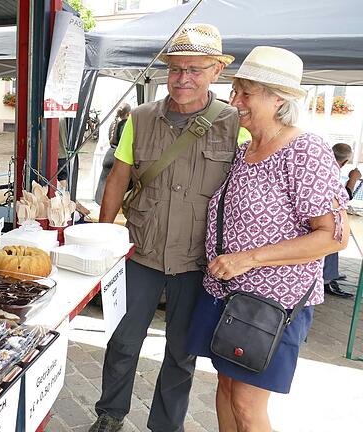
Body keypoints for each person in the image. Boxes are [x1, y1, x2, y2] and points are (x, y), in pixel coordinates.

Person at [186, 46, 349, 432]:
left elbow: (334, 236)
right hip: (226, 294)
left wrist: (248, 259)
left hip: (268, 306)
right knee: (225, 388)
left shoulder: (304, 149)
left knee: (246, 404)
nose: (235, 100)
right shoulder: (246, 151)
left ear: (279, 100)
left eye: (246, 92)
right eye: (236, 90)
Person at [91, 24, 241, 432]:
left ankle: (166, 425)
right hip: (141, 249)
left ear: (216, 72)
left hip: (199, 260)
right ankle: (110, 413)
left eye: (195, 69)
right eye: (175, 69)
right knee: (123, 339)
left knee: (182, 351)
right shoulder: (139, 118)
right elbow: (118, 178)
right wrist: (104, 240)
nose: (182, 79)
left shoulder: (236, 125)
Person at [322, 143, 357, 297]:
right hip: (319, 218)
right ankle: (327, 279)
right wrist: (353, 179)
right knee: (333, 237)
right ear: (345, 162)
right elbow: (344, 196)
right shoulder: (331, 170)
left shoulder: (323, 165)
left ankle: (330, 273)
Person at [94, 103, 131, 202]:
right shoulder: (127, 125)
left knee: (105, 183)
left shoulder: (114, 124)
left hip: (110, 154)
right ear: (129, 113)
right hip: (119, 156)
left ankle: (100, 204)